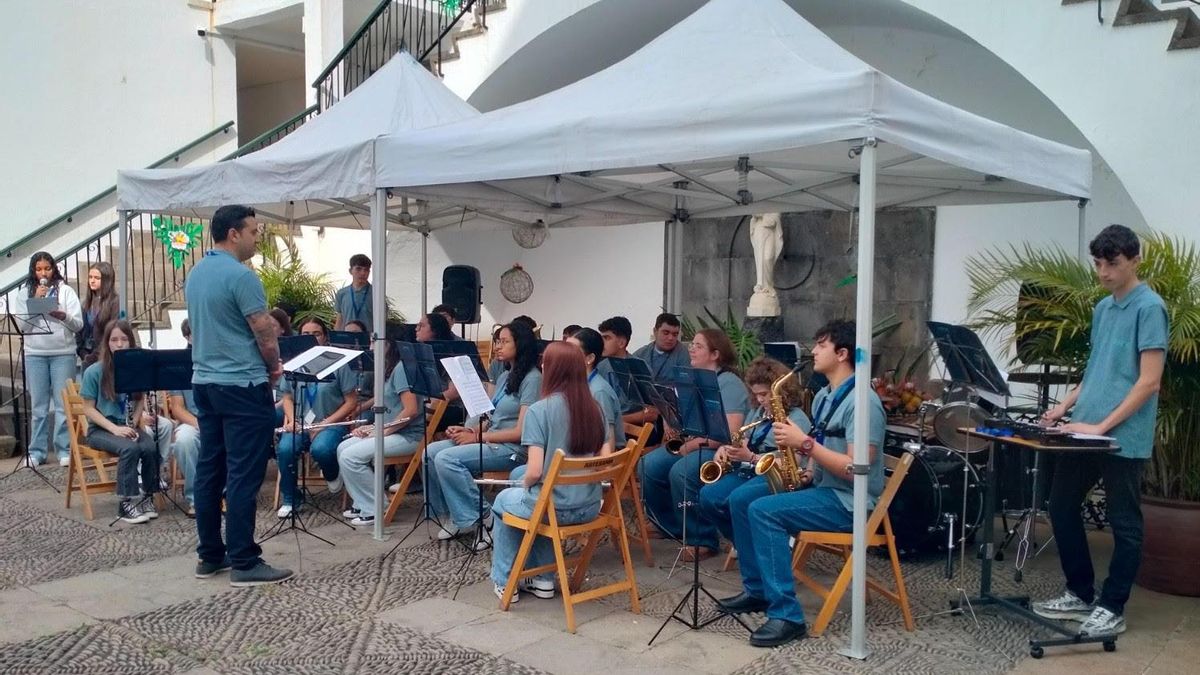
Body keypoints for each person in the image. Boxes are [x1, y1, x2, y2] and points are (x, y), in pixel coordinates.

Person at [1032, 225, 1168, 637]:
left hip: (1122, 436)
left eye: (1113, 263)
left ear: (1134, 260)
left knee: (1123, 521)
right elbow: (1097, 372)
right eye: (1098, 264)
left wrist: (1102, 425)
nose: (1104, 272)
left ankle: (1113, 606)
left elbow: (1149, 381)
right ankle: (1079, 592)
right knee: (1060, 505)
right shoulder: (1102, 309)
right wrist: (1064, 407)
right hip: (1085, 428)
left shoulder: (1150, 307)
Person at [716, 320, 885, 648]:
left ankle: (787, 616)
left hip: (851, 501)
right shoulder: (824, 395)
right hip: (823, 487)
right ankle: (757, 591)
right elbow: (822, 445)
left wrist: (804, 444)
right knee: (740, 501)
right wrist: (806, 469)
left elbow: (857, 468)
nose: (814, 351)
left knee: (764, 512)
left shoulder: (863, 402)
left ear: (842, 353)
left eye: (821, 346)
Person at [185, 204, 292, 586]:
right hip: (242, 384)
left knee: (210, 468)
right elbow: (263, 329)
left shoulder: (196, 273)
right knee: (244, 473)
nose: (256, 237)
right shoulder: (242, 276)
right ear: (234, 233)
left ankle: (210, 554)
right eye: (253, 231)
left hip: (205, 382)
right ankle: (245, 560)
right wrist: (274, 365)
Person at [489, 341, 612, 601]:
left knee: (504, 501)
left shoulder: (539, 411)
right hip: (589, 506)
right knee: (538, 498)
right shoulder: (596, 408)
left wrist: (523, 484)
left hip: (554, 508)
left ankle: (505, 580)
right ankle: (543, 580)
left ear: (551, 369)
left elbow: (534, 471)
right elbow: (605, 460)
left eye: (544, 363)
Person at [424, 322, 542, 547]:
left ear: (522, 344)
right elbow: (493, 418)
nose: (498, 346)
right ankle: (456, 515)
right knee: (430, 453)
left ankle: (484, 517)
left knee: (447, 459)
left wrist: (477, 438)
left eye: (504, 341)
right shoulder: (508, 374)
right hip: (492, 439)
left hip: (513, 449)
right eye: (497, 341)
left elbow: (521, 432)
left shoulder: (533, 378)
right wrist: (469, 430)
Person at [641, 328, 750, 561]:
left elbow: (731, 433)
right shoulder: (693, 378)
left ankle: (702, 539)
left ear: (715, 354)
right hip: (696, 442)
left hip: (719, 450)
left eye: (698, 346)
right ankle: (668, 524)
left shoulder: (729, 383)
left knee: (682, 472)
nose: (691, 348)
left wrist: (691, 445)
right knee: (647, 465)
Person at [696, 356, 812, 547]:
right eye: (756, 394)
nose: (760, 399)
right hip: (751, 469)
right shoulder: (758, 412)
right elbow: (746, 438)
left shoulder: (796, 419)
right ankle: (743, 543)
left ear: (781, 391)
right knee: (708, 496)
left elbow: (793, 462)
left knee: (738, 499)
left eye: (764, 394)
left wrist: (750, 457)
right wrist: (726, 449)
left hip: (777, 475)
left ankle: (753, 547)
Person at [79, 320, 172, 524]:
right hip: (101, 429)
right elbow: (88, 408)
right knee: (130, 449)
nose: (119, 344)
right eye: (114, 340)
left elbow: (139, 399)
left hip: (126, 426)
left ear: (130, 342)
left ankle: (147, 497)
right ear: (107, 343)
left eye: (124, 339)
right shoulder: (94, 372)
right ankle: (125, 502)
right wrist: (115, 428)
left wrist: (133, 424)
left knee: (149, 446)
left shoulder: (135, 369)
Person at [275, 317, 359, 518]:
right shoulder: (294, 363)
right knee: (286, 448)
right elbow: (286, 396)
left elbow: (351, 401)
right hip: (301, 423)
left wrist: (325, 423)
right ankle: (291, 499)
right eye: (305, 335)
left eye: (316, 334)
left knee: (321, 449)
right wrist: (291, 419)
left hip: (331, 422)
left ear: (325, 337)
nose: (311, 338)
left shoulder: (339, 363)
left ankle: (332, 472)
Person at [336, 339, 423, 527]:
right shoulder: (390, 368)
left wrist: (382, 431)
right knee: (343, 448)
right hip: (393, 431)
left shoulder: (402, 369)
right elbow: (389, 408)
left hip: (409, 436)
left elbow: (410, 410)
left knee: (351, 456)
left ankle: (375, 508)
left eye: (374, 341)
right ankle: (363, 502)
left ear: (388, 343)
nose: (370, 347)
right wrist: (372, 427)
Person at [12, 251, 83, 467]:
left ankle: (63, 449)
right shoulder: (24, 294)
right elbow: (22, 327)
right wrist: (36, 302)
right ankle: (37, 451)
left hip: (62, 352)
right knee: (39, 406)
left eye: (47, 268)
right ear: (33, 271)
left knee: (63, 405)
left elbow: (78, 324)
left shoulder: (66, 291)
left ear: (54, 269)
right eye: (39, 269)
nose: (43, 273)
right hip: (35, 354)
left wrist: (64, 316)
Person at [566, 328, 623, 451]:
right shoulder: (580, 384)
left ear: (589, 358)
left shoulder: (599, 392)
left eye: (572, 350)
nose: (564, 354)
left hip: (595, 461)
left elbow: (609, 445)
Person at [167, 319, 202, 516]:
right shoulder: (179, 365)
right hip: (192, 420)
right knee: (184, 441)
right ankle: (196, 499)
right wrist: (200, 425)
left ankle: (224, 494)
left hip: (220, 418)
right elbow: (177, 408)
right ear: (187, 337)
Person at [78, 261, 120, 369]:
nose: (92, 281)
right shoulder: (86, 303)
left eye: (97, 278)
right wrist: (82, 352)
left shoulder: (115, 302)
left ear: (106, 280)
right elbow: (80, 330)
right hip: (87, 356)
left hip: (105, 358)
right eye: (90, 277)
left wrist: (97, 354)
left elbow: (113, 331)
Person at [632, 313, 690, 380]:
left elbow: (685, 385)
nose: (670, 338)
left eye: (675, 334)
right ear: (655, 332)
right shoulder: (641, 354)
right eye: (666, 333)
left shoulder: (683, 354)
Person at [333, 254, 372, 330]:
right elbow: (340, 319)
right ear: (350, 271)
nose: (363, 273)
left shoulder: (376, 294)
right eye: (358, 269)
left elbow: (382, 321)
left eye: (366, 270)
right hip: (347, 338)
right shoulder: (342, 293)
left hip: (368, 339)